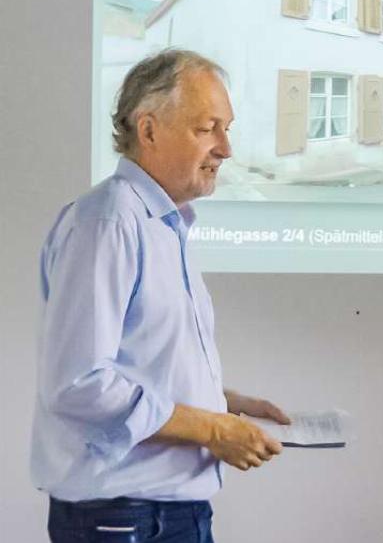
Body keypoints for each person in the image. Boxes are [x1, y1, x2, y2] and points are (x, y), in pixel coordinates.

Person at [31, 49, 290, 542]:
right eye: (207, 128)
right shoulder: (108, 223)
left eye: (226, 129)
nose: (225, 149)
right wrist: (213, 431)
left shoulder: (162, 225)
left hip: (161, 517)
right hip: (126, 521)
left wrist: (221, 402)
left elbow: (139, 362)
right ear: (148, 130)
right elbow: (79, 383)